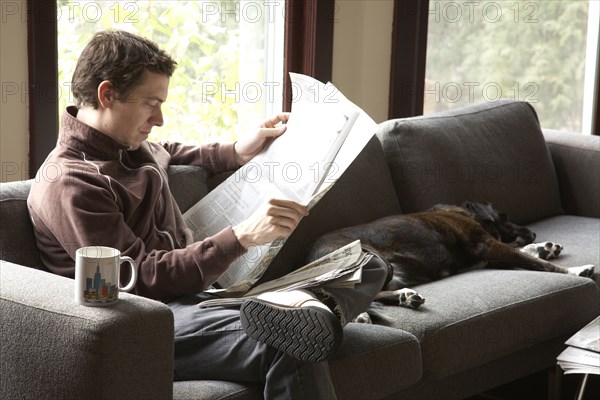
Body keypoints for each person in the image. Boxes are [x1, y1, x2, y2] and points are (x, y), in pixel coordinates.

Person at [28, 30, 388, 399]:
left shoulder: (129, 146)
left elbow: (171, 150)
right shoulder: (71, 182)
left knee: (366, 266)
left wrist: (236, 151)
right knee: (290, 341)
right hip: (148, 318)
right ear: (107, 94)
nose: (160, 118)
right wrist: (242, 237)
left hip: (200, 297)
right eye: (151, 103)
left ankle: (311, 313)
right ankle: (310, 317)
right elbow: (135, 278)